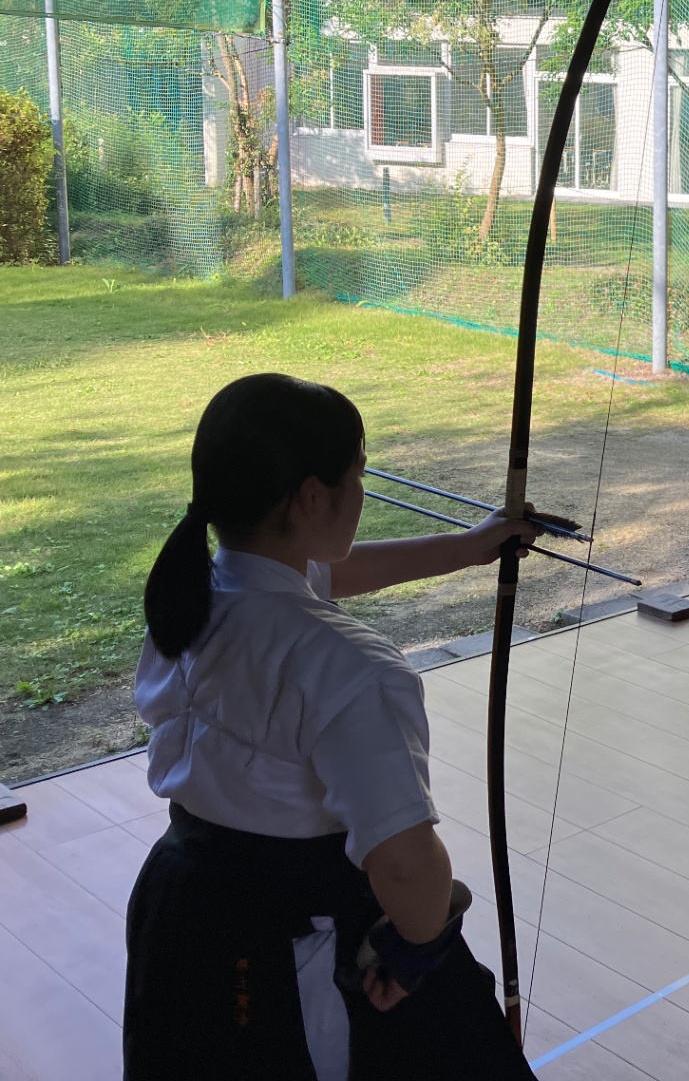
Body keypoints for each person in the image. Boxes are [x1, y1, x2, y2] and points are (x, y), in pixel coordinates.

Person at [125, 373, 542, 1081]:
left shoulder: (195, 594)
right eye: (360, 475)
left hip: (178, 907)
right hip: (288, 944)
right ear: (313, 498)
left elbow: (331, 573)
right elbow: (406, 864)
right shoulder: (350, 669)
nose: (363, 491)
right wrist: (417, 952)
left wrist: (472, 546)